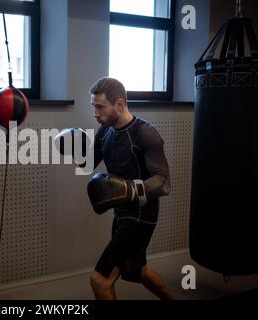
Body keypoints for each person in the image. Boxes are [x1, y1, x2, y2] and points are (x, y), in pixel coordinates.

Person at [87, 77, 174, 300]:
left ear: (120, 104)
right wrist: (70, 144)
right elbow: (86, 162)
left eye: (100, 107)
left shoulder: (145, 132)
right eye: (93, 107)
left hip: (141, 216)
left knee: (100, 279)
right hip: (122, 213)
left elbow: (164, 181)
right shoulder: (105, 131)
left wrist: (131, 190)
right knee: (135, 268)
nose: (95, 113)